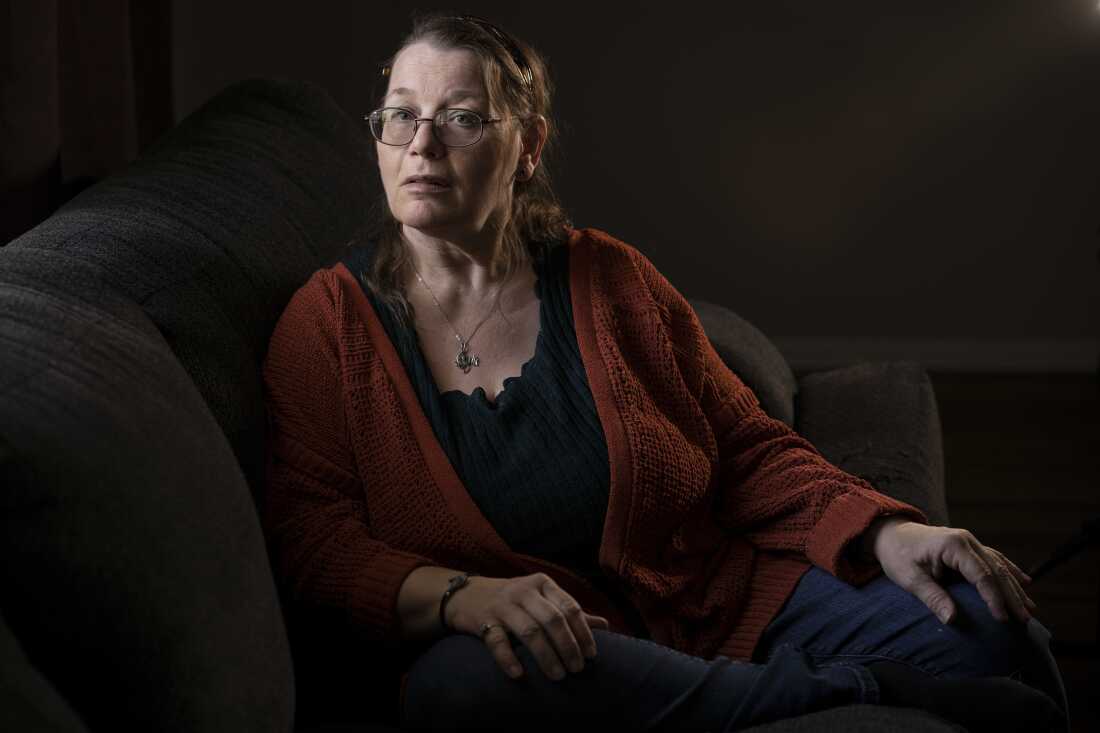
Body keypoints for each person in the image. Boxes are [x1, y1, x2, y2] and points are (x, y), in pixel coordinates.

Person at [261, 12, 1067, 732]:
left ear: (528, 145)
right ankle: (853, 689)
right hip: (551, 652)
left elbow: (746, 446)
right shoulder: (327, 324)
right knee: (459, 689)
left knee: (995, 625)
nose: (422, 146)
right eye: (400, 116)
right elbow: (311, 540)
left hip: (717, 603)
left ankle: (762, 687)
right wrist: (459, 595)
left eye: (462, 119)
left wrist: (887, 529)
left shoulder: (609, 278)